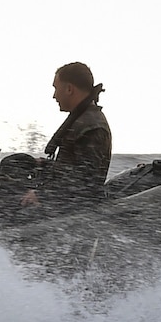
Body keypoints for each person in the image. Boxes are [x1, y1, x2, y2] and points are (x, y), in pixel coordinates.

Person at [20, 62, 111, 215]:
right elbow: (72, 170)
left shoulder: (92, 127)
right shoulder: (82, 119)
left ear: (69, 89)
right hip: (60, 200)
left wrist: (41, 196)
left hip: (71, 212)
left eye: (56, 88)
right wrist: (42, 165)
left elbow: (86, 184)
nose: (54, 95)